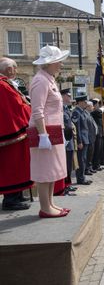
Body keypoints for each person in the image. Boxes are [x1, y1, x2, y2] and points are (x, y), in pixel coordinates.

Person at [29, 46, 70, 218]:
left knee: (53, 170)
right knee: (44, 170)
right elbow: (37, 110)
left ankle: (50, 203)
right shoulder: (41, 80)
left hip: (53, 130)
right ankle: (45, 207)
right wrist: (43, 134)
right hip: (44, 131)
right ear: (49, 63)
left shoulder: (49, 79)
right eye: (58, 61)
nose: (60, 64)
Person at [0, 57, 33, 210]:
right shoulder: (3, 85)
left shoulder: (5, 84)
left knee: (19, 166)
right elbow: (15, 108)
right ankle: (11, 199)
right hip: (12, 133)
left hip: (16, 132)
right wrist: (30, 111)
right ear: (8, 69)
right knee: (13, 167)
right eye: (15, 67)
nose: (16, 70)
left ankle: (17, 195)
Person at [72, 95, 92, 185]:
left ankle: (82, 177)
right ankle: (80, 179)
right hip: (82, 140)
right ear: (79, 102)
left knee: (83, 159)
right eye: (84, 102)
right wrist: (79, 141)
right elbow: (77, 128)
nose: (86, 104)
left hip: (85, 139)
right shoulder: (76, 112)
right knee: (81, 160)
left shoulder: (82, 111)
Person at [61, 88, 77, 194]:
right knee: (65, 165)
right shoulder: (60, 109)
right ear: (62, 96)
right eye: (68, 96)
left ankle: (68, 184)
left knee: (69, 165)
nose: (70, 98)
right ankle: (64, 186)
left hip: (69, 141)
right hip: (65, 141)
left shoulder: (66, 109)